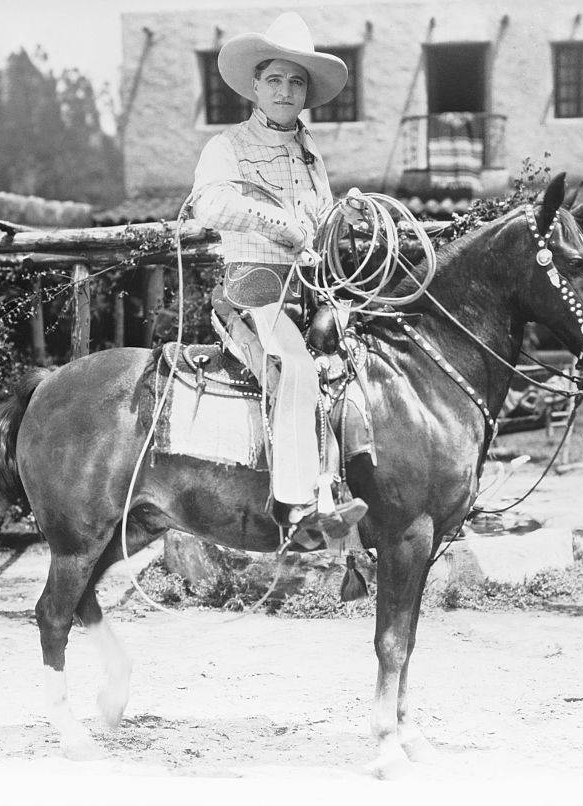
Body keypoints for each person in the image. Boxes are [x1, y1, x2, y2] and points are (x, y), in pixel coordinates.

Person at [189, 12, 367, 544]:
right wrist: (279, 223)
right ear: (255, 86)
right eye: (275, 81)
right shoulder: (227, 147)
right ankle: (297, 504)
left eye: (296, 82)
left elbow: (322, 221)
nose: (285, 92)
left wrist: (344, 218)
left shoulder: (312, 156)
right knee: (295, 367)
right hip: (253, 287)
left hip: (311, 290)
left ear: (306, 93)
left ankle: (363, 489)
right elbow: (208, 203)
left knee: (367, 361)